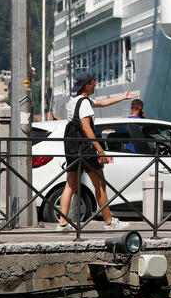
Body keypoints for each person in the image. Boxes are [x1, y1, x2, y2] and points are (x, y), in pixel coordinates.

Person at [56, 73, 137, 232]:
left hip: (72, 147)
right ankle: (108, 222)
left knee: (70, 184)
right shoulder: (85, 103)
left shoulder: (74, 101)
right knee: (100, 183)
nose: (95, 85)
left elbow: (100, 103)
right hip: (85, 149)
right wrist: (100, 151)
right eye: (94, 84)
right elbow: (86, 127)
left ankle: (62, 223)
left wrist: (122, 97)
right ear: (88, 86)